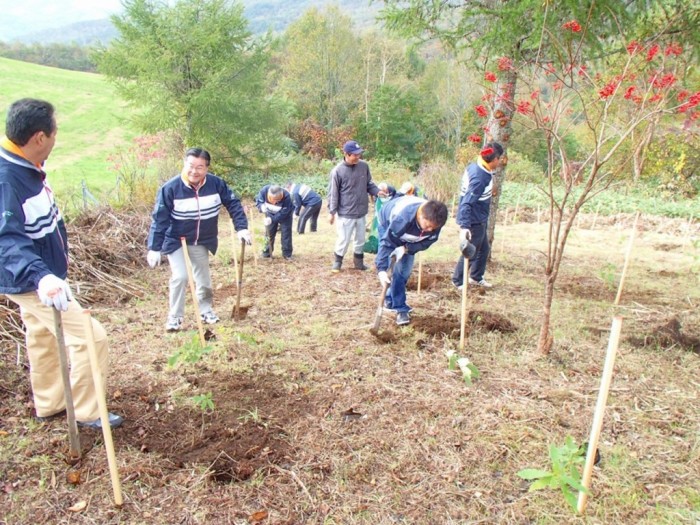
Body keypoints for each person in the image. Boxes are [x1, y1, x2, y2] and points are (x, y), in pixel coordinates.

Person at [0, 98, 123, 429]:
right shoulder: (7, 179)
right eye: (54, 133)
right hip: (28, 278)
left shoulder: (27, 167)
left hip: (39, 272)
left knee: (42, 335)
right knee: (90, 336)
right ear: (39, 138)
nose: (57, 139)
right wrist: (42, 278)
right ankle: (86, 411)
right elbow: (6, 240)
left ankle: (50, 402)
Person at [147, 148, 251, 332]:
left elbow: (233, 204)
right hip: (176, 239)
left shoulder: (217, 185)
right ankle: (175, 318)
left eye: (200, 167)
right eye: (191, 166)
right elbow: (160, 219)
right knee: (180, 277)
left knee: (203, 280)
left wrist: (241, 227)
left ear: (207, 168)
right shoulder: (170, 188)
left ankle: (205, 310)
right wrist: (154, 247)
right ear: (184, 164)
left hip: (202, 239)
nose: (194, 171)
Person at [376, 196, 448, 326]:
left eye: (433, 228)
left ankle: (390, 297)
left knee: (404, 271)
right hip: (387, 222)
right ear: (420, 215)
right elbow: (387, 243)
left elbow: (427, 242)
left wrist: (406, 248)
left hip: (408, 239)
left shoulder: (435, 221)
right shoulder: (401, 219)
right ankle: (400, 307)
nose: (430, 230)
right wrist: (381, 269)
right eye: (427, 226)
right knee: (393, 267)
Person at [452, 142, 504, 289]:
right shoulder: (479, 178)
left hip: (480, 215)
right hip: (474, 220)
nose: (499, 162)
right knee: (471, 251)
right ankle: (458, 280)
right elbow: (466, 203)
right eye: (498, 159)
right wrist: (465, 226)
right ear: (493, 160)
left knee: (484, 249)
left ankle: (476, 276)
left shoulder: (478, 165)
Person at [327, 140, 385, 272]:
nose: (358, 156)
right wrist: (332, 212)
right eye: (355, 154)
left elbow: (369, 183)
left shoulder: (364, 166)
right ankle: (338, 262)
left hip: (361, 211)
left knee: (360, 239)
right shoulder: (337, 171)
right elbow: (333, 193)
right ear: (346, 154)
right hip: (345, 212)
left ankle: (358, 263)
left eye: (359, 154)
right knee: (344, 239)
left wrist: (377, 191)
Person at [255, 184, 294, 259]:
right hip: (270, 213)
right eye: (272, 200)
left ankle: (287, 254)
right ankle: (266, 253)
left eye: (277, 201)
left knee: (286, 233)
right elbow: (258, 202)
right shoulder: (264, 191)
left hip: (285, 215)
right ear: (269, 195)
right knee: (269, 232)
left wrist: (272, 219)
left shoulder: (287, 196)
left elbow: (283, 214)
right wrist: (261, 207)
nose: (274, 203)